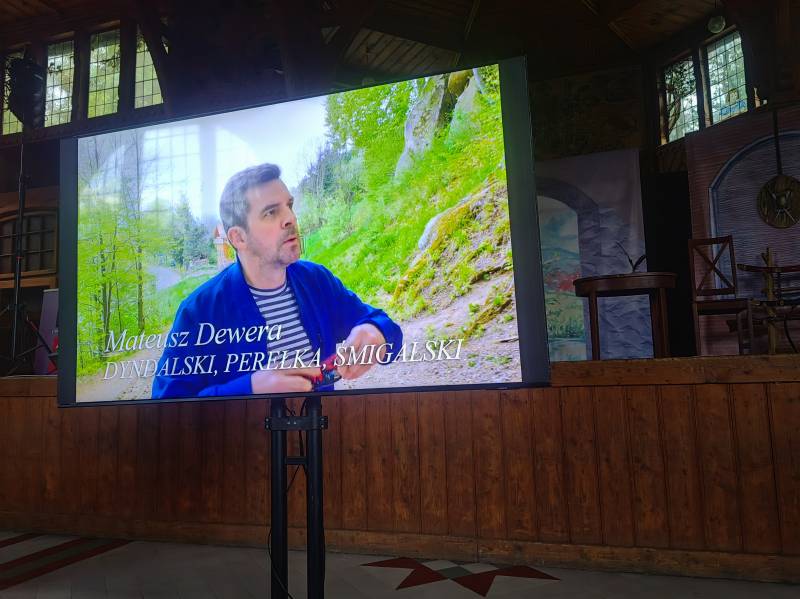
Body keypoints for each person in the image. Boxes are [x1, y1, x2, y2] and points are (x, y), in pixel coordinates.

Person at [151, 163, 402, 399]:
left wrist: (377, 332)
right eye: (271, 212)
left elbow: (386, 327)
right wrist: (250, 388)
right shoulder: (198, 312)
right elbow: (166, 411)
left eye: (289, 205)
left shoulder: (316, 280)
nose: (290, 218)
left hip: (322, 429)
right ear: (238, 238)